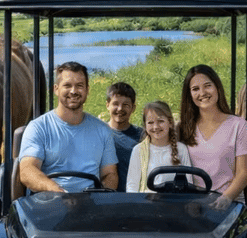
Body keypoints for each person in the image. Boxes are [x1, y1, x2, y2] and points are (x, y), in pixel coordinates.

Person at [19, 61, 118, 193]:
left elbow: (110, 174)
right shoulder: (38, 127)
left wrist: (101, 193)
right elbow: (27, 171)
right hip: (49, 202)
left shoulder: (103, 130)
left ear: (87, 90)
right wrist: (55, 190)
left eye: (79, 86)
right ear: (56, 89)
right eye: (67, 85)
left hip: (90, 203)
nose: (73, 91)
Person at [178, 64, 247, 208]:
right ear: (189, 95)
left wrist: (226, 199)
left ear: (217, 87)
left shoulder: (239, 126)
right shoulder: (182, 127)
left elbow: (243, 173)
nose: (202, 92)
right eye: (195, 89)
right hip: (193, 206)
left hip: (229, 203)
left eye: (207, 86)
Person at [126, 101, 191, 192]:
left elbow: (188, 182)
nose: (155, 126)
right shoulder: (138, 150)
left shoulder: (181, 149)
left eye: (160, 121)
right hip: (147, 203)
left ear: (170, 123)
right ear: (145, 125)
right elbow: (132, 185)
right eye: (150, 122)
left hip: (175, 202)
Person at [106, 81, 144, 191]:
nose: (120, 109)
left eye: (126, 105)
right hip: (104, 199)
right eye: (115, 104)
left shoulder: (142, 136)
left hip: (134, 198)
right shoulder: (97, 133)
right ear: (107, 105)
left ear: (133, 108)